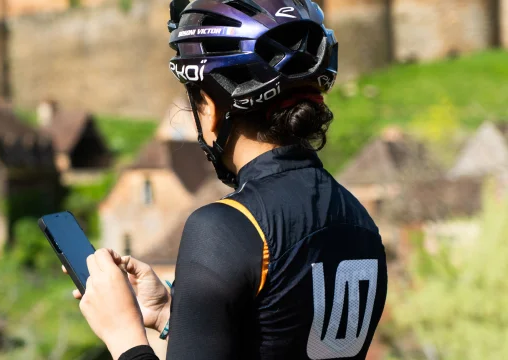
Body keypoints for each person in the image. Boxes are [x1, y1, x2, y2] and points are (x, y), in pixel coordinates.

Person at [66, 0, 388, 359]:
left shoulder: (224, 228)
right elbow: (284, 336)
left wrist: (122, 331)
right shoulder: (361, 222)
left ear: (211, 106)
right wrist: (179, 318)